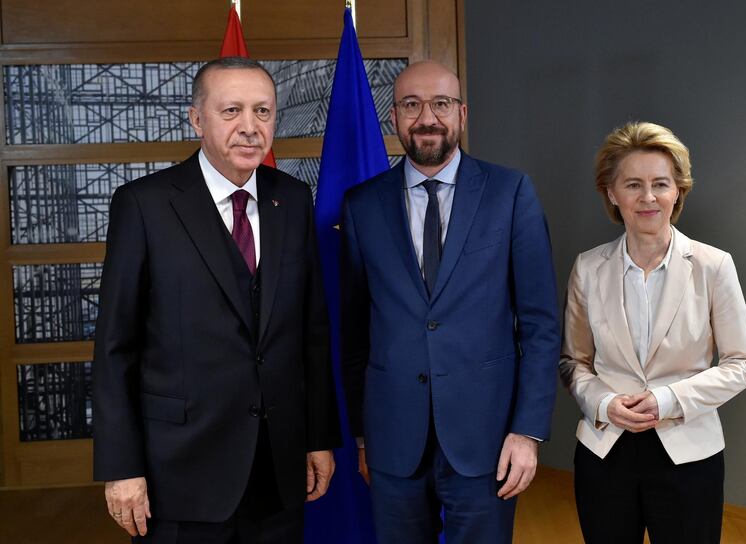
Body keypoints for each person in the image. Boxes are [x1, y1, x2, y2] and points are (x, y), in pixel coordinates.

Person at [92, 56, 341, 543]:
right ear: (196, 119)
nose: (250, 128)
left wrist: (317, 439)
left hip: (279, 468)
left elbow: (311, 332)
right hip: (181, 471)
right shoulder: (144, 204)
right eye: (231, 111)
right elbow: (115, 347)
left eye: (263, 112)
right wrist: (121, 467)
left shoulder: (292, 199)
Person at [340, 60, 560, 543]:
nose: (427, 117)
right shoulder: (361, 205)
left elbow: (542, 325)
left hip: (488, 441)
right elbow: (355, 333)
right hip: (393, 441)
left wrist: (528, 433)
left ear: (461, 113)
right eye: (411, 104)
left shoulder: (510, 192)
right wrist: (362, 434)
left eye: (440, 103)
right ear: (394, 116)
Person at [559, 121, 746, 543]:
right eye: (633, 184)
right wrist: (605, 402)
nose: (648, 197)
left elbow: (743, 364)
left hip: (689, 454)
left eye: (661, 184)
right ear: (612, 194)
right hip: (604, 450)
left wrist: (667, 399)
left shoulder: (713, 265)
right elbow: (573, 362)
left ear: (678, 191)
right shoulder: (588, 268)